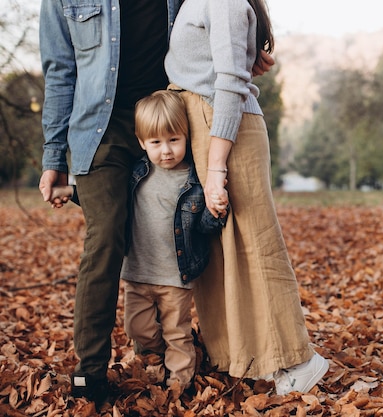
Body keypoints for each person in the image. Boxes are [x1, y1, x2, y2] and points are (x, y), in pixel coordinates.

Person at [38, 0, 272, 407]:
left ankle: (223, 345)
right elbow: (60, 70)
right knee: (106, 235)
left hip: (170, 119)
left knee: (204, 218)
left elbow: (216, 17)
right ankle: (90, 371)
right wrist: (53, 156)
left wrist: (247, 46)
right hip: (100, 130)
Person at [164, 0, 329, 395]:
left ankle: (300, 361)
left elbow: (231, 82)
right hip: (208, 127)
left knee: (257, 247)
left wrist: (217, 167)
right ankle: (256, 358)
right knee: (226, 254)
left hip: (224, 133)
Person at [52, 90, 228, 391]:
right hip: (138, 273)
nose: (166, 151)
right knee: (138, 328)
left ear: (186, 136)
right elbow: (107, 201)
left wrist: (217, 210)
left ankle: (179, 384)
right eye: (156, 143)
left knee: (177, 332)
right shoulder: (136, 173)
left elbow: (204, 225)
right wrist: (71, 192)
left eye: (174, 140)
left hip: (176, 276)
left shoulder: (194, 180)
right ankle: (157, 357)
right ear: (141, 142)